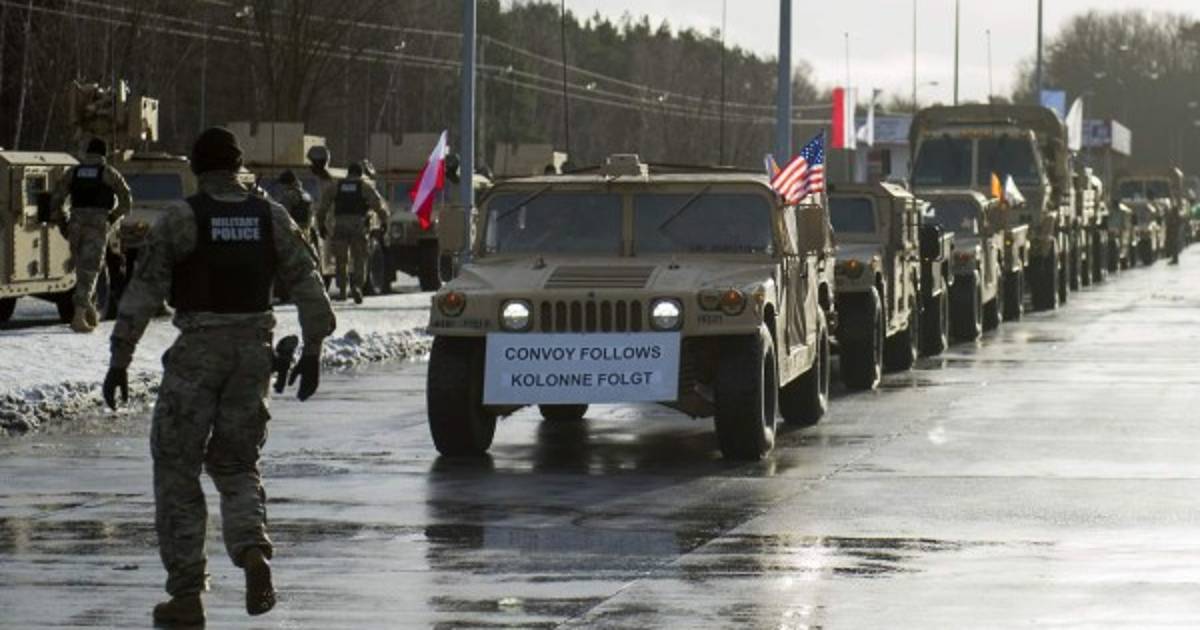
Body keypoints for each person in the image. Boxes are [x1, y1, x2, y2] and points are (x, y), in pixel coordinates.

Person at [102, 127, 336, 626]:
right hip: (254, 354)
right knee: (236, 463)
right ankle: (252, 551)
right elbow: (308, 281)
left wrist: (120, 358)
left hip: (198, 353)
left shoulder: (182, 218)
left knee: (176, 466)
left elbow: (144, 289)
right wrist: (314, 348)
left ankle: (187, 595)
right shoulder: (270, 216)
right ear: (237, 167)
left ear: (196, 167)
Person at [49, 137, 133, 332]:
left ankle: (90, 311)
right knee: (91, 270)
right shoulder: (108, 173)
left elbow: (56, 200)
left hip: (76, 226)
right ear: (104, 154)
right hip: (97, 226)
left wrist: (63, 224)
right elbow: (126, 201)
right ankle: (78, 317)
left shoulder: (73, 172)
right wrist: (111, 218)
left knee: (83, 269)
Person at [317, 162, 387, 303]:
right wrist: (384, 221)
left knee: (341, 259)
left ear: (348, 173)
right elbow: (378, 205)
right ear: (360, 174)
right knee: (359, 258)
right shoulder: (364, 186)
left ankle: (342, 290)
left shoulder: (336, 186)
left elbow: (323, 206)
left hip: (340, 225)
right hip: (358, 225)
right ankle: (357, 287)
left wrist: (321, 225)